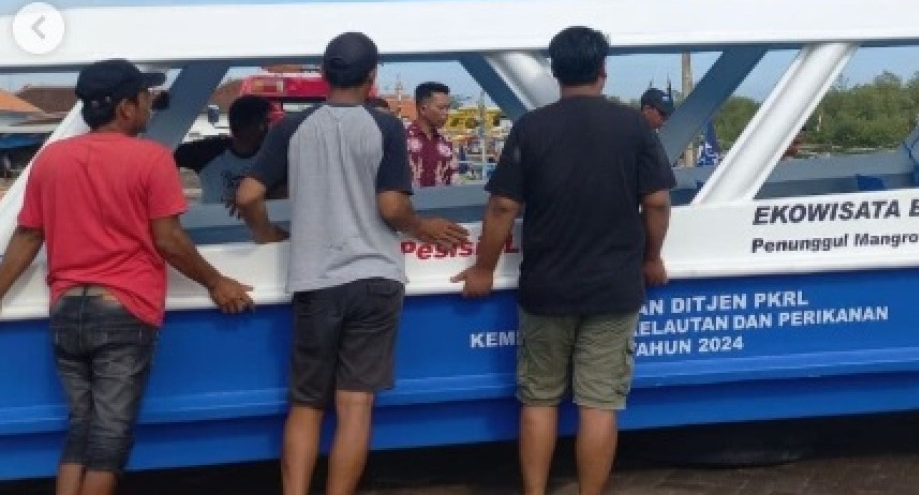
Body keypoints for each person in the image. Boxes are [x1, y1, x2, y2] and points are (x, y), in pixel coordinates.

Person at [0, 58, 254, 495]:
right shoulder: (151, 160)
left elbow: (27, 236)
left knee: (81, 430)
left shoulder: (51, 160)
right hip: (122, 310)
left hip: (66, 308)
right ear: (124, 108)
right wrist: (217, 282)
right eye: (144, 97)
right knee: (110, 440)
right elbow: (169, 239)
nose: (149, 105)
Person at [235, 32, 470, 495]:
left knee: (306, 405)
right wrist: (424, 227)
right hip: (375, 279)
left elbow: (248, 195)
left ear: (324, 75)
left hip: (316, 280)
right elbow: (392, 208)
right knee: (355, 406)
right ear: (373, 76)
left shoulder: (291, 128)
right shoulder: (383, 127)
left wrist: (266, 233)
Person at [453, 26, 675, 495]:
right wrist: (652, 258)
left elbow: (501, 208)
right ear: (603, 71)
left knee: (538, 400)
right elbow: (656, 202)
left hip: (547, 287)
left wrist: (483, 269)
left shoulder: (532, 127)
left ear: (555, 71)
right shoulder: (633, 126)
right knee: (599, 404)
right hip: (614, 287)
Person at [174, 94, 273, 206]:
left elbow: (284, 191)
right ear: (239, 124)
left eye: (267, 123)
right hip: (215, 222)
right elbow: (164, 156)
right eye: (260, 123)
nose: (265, 129)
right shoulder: (208, 151)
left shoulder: (272, 156)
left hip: (260, 221)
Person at [406, 81, 456, 187]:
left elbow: (453, 180)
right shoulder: (401, 139)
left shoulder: (446, 143)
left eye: (448, 108)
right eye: (441, 108)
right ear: (422, 109)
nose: (446, 113)